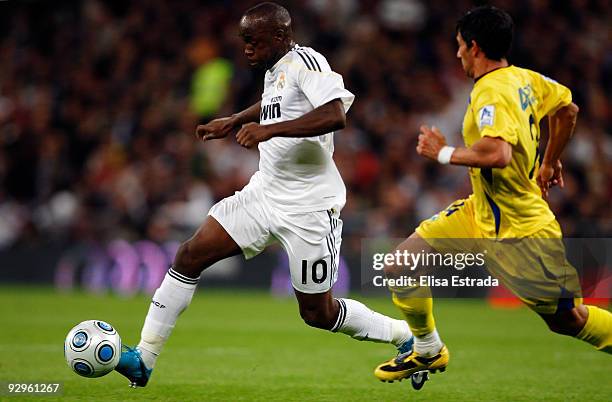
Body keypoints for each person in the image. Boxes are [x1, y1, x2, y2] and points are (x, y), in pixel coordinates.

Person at [115, 2, 414, 388]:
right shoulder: (277, 70)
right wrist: (237, 119)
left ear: (280, 36)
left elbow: (335, 113)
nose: (246, 49)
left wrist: (269, 131)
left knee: (317, 314)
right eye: (243, 41)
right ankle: (144, 359)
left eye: (253, 41)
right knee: (189, 255)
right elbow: (273, 104)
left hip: (308, 208)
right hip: (264, 194)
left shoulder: (308, 61)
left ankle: (402, 335)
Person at [374, 5, 612, 382]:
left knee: (569, 320)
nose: (456, 55)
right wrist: (549, 161)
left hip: (521, 231)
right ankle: (427, 349)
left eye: (459, 46)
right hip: (480, 212)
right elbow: (567, 109)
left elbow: (497, 154)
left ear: (474, 46)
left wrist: (443, 153)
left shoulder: (491, 93)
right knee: (401, 265)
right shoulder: (526, 79)